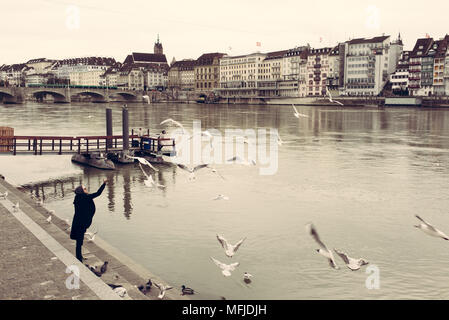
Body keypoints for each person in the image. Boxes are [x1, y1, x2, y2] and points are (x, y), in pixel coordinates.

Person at [70, 179, 107, 262]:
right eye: (85, 189)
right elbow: (98, 193)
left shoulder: (78, 197)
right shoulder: (85, 197)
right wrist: (104, 184)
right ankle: (79, 257)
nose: (86, 189)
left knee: (79, 240)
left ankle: (79, 256)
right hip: (81, 223)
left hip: (78, 221)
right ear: (81, 191)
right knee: (79, 240)